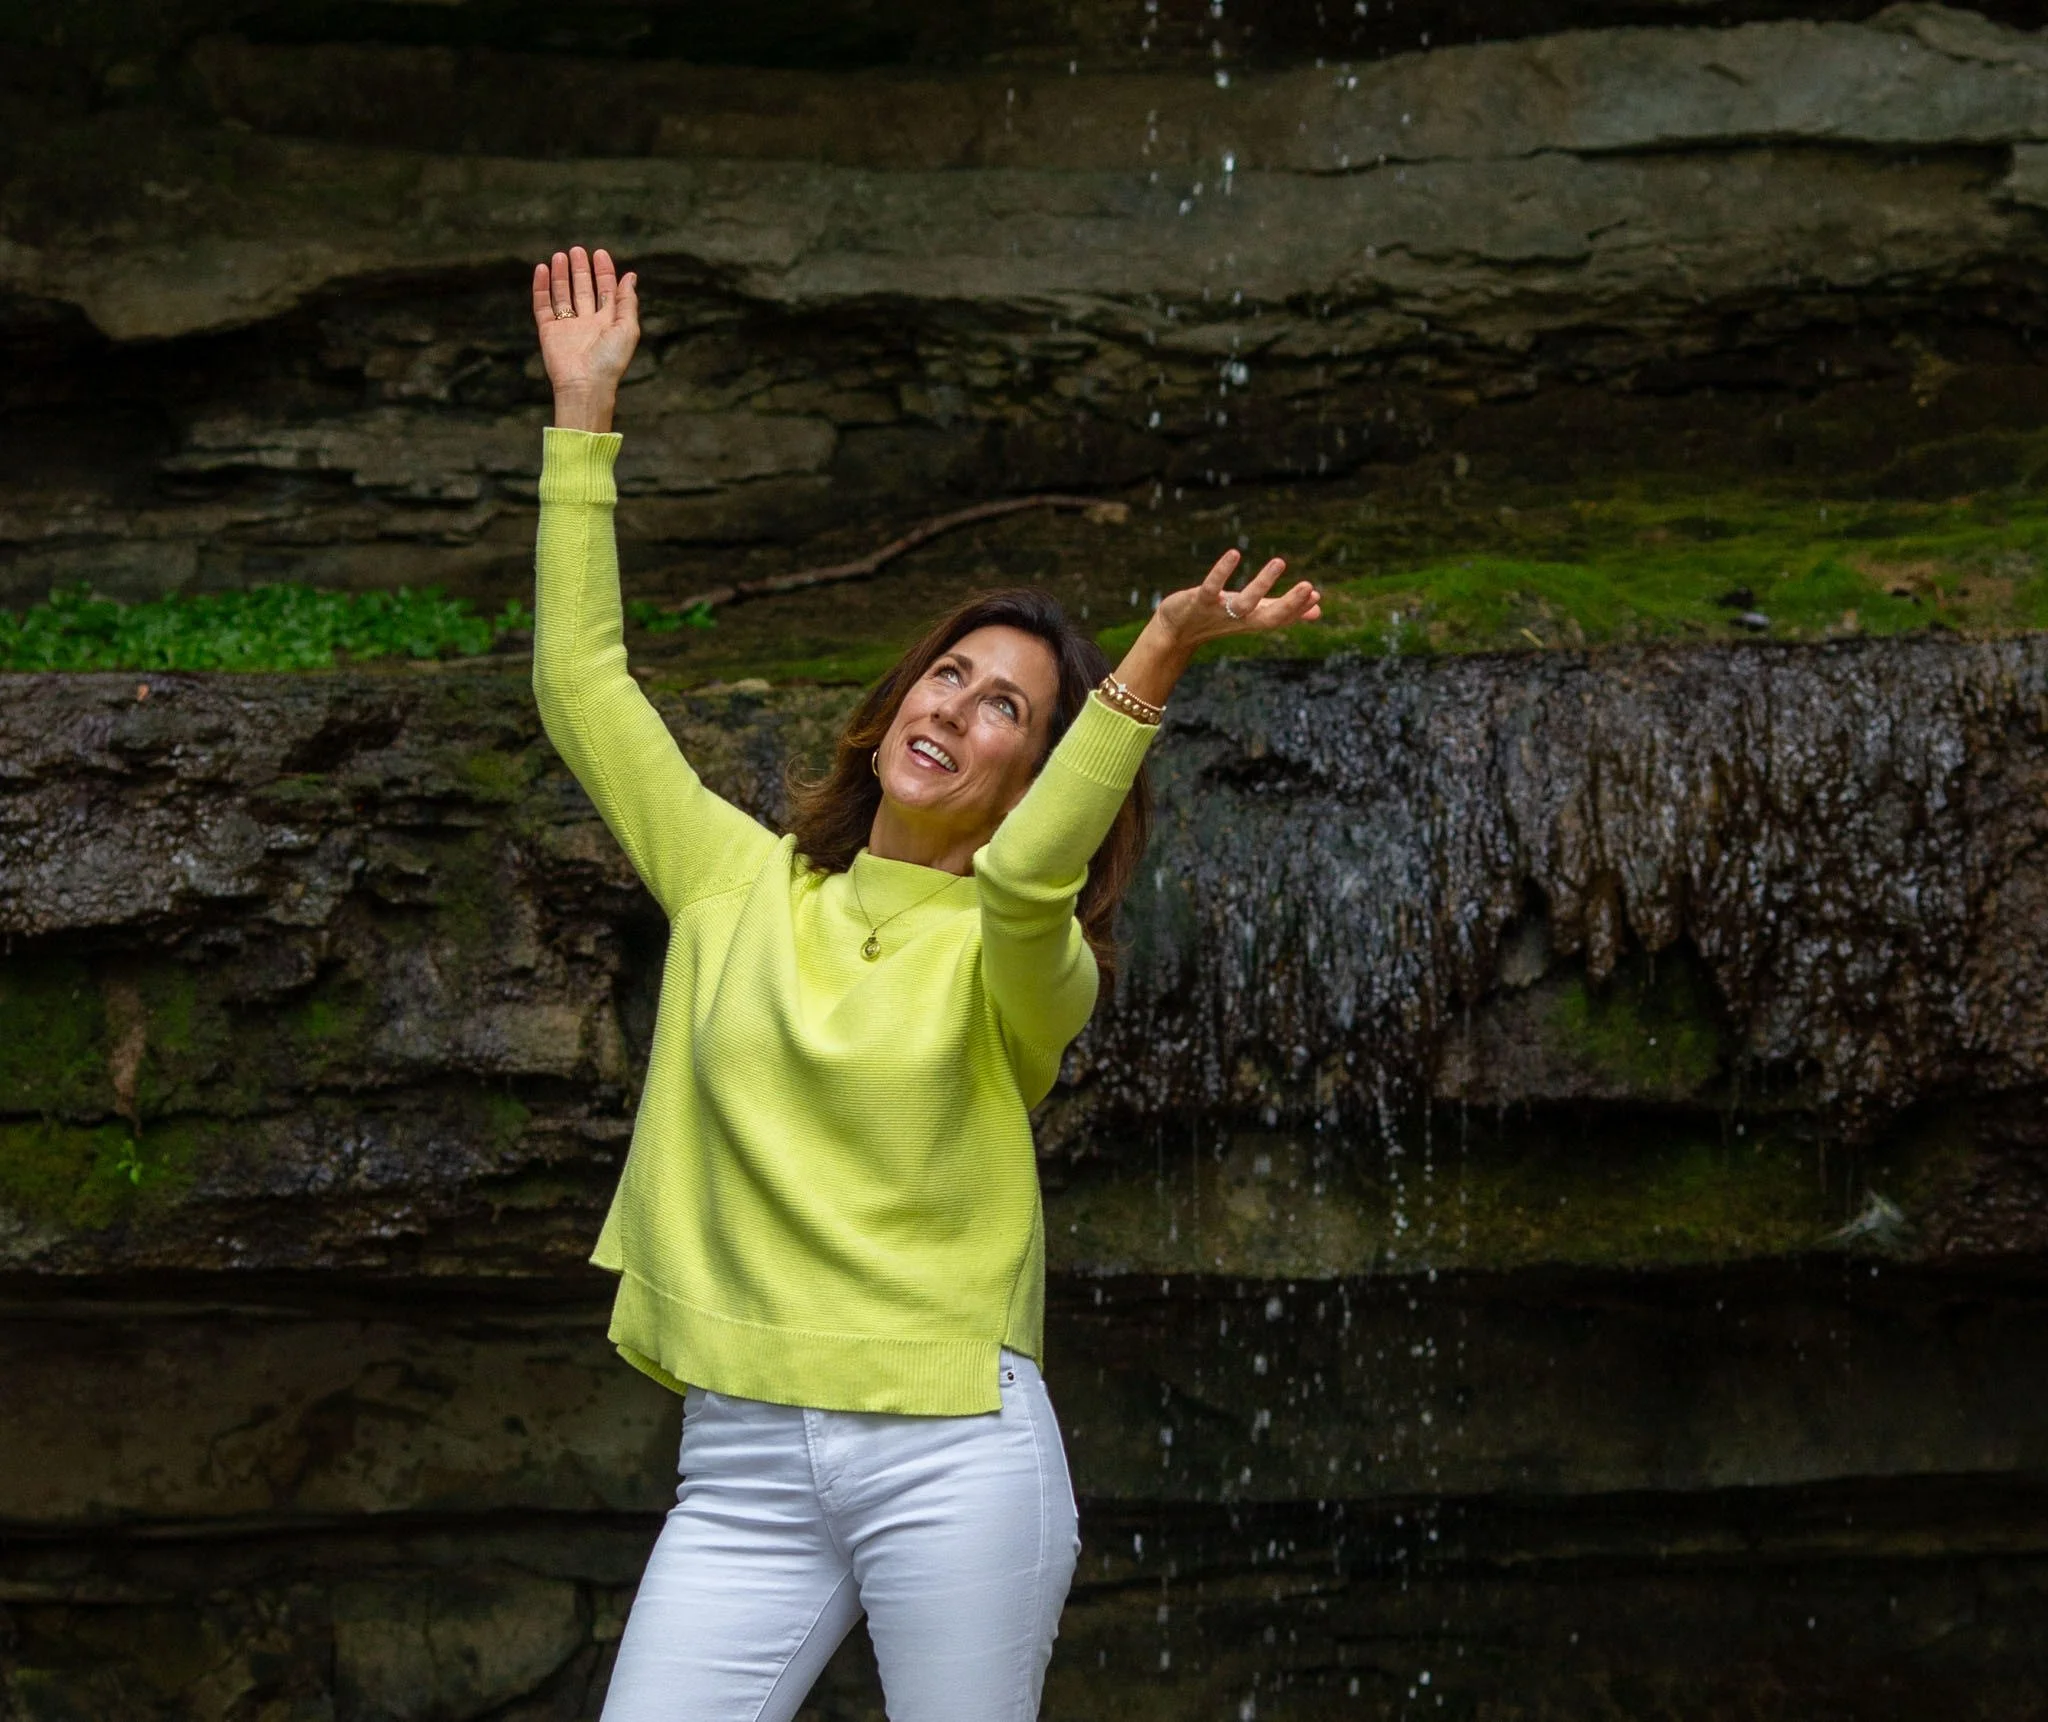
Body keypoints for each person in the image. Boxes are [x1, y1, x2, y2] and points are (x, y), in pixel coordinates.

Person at [528, 244, 1322, 1722]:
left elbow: (1028, 880)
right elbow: (581, 687)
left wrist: (1151, 658)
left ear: (1037, 771)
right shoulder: (733, 880)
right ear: (898, 698)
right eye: (949, 674)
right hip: (745, 1456)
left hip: (953, 1451)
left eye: (1008, 704)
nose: (957, 704)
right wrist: (584, 414)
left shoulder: (1028, 960)